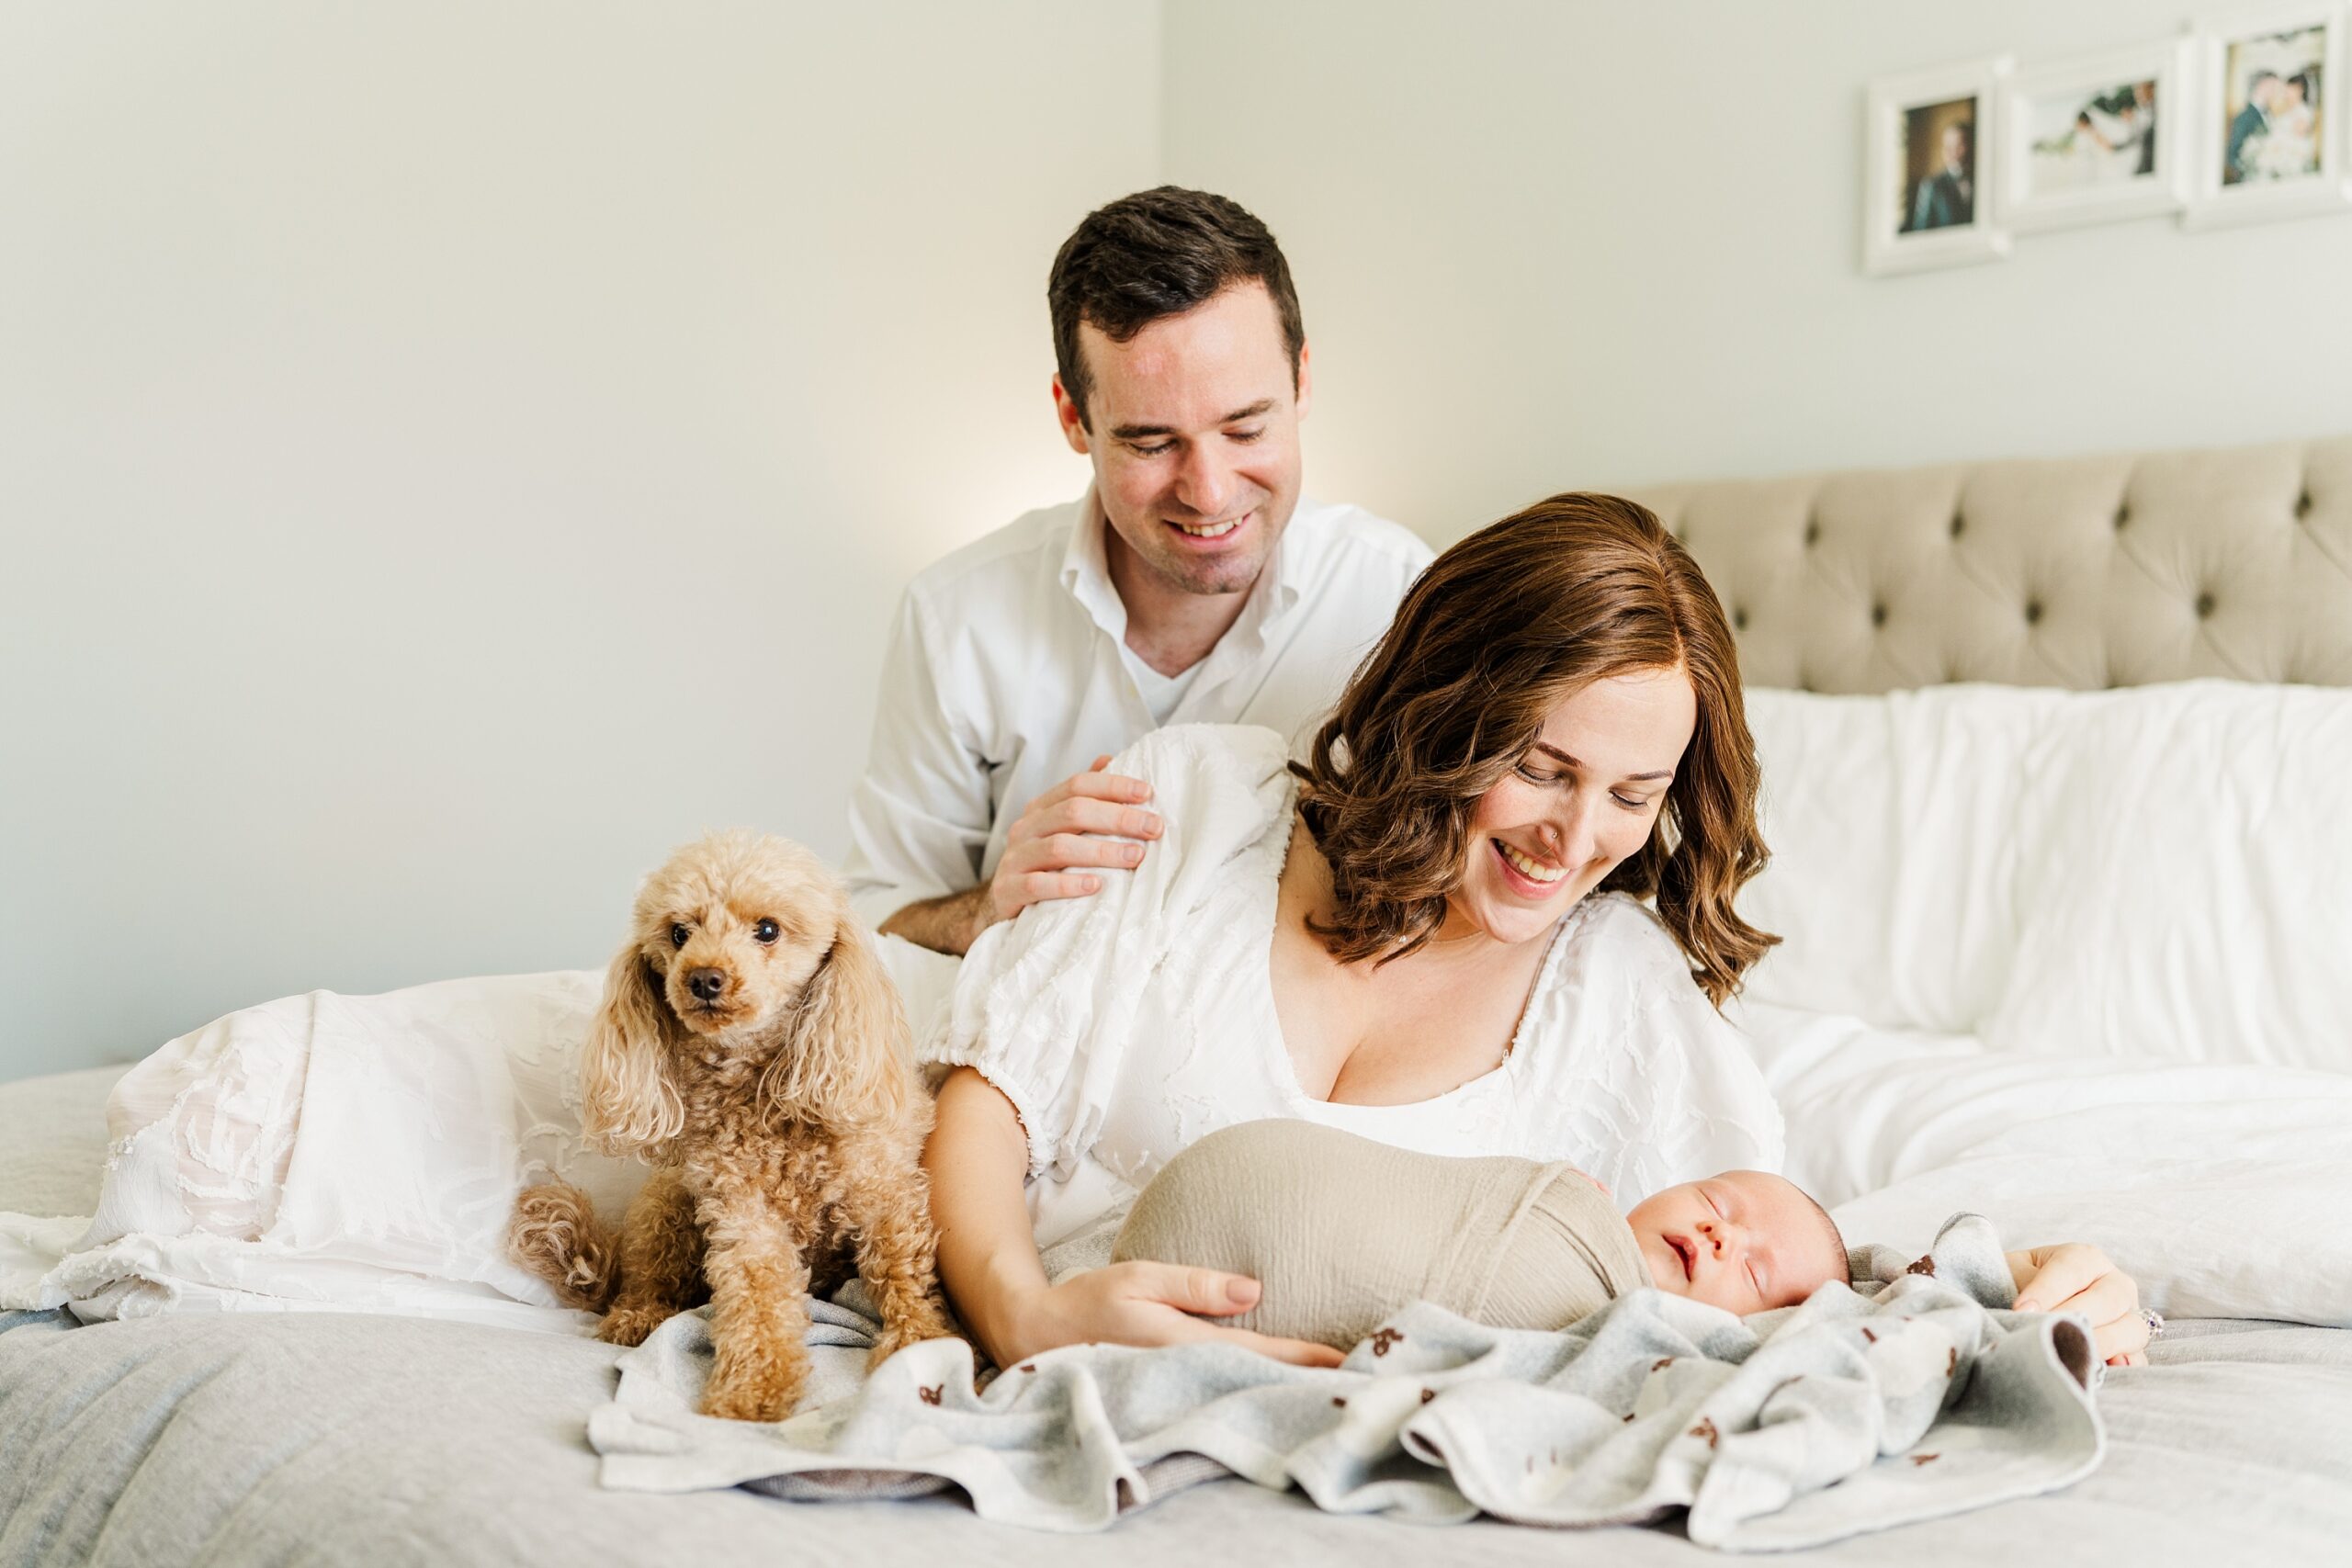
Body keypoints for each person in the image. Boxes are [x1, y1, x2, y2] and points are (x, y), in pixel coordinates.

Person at [919, 493, 2152, 1372]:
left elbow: (1767, 1273)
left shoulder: (1620, 998)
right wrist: (1023, 1312)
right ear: (1445, 710)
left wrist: (2023, 1274)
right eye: (1541, 767)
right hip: (999, 1328)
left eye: (1633, 792)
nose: (1574, 838)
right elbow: (993, 1089)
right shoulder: (1199, 800)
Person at [845, 187, 1432, 958]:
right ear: (1072, 417)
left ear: (1303, 381)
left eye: (1246, 426)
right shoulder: (956, 617)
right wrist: (989, 905)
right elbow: (874, 924)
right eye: (1151, 444)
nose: (1210, 491)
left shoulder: (1402, 600)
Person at [1109, 1117, 1850, 1351]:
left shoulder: (1622, 1346)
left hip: (1199, 1280)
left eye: (1753, 1271)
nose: (1721, 1234)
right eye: (1716, 1200)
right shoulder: (1569, 1211)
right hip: (1222, 1193)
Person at [1906, 120, 1974, 231]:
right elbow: (1921, 230)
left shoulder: (1982, 181)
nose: (1952, 152)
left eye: (1959, 145)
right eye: (1948, 146)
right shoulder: (1931, 185)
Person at [2226, 69, 2279, 185]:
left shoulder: (2269, 114)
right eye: (2273, 87)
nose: (2275, 92)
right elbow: (2233, 154)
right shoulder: (2244, 117)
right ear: (2262, 85)